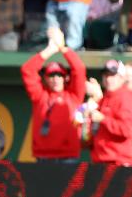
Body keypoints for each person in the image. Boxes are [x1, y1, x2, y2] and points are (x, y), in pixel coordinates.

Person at [20, 26, 86, 163]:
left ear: (66, 78)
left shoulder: (74, 95)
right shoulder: (40, 96)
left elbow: (79, 69)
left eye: (59, 75)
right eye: (51, 75)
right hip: (43, 156)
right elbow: (27, 70)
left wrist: (63, 48)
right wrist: (50, 50)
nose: (56, 79)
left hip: (69, 156)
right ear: (46, 78)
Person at [88, 59, 132, 166]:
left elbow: (127, 130)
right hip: (101, 160)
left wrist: (103, 119)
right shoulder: (105, 97)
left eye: (113, 75)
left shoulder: (126, 98)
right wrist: (95, 99)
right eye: (106, 75)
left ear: (122, 78)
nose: (108, 79)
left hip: (119, 163)